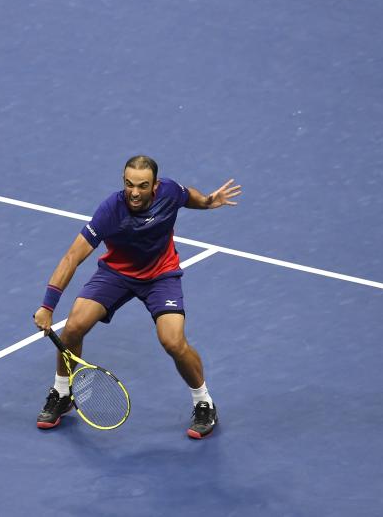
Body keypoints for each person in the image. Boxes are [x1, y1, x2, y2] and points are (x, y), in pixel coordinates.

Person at [33, 155, 240, 438]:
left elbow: (185, 195)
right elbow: (72, 257)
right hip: (116, 274)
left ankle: (203, 401)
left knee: (173, 342)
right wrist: (47, 306)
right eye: (129, 184)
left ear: (155, 186)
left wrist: (205, 202)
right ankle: (62, 392)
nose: (134, 192)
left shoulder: (169, 192)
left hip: (160, 276)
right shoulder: (110, 211)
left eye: (142, 186)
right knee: (73, 328)